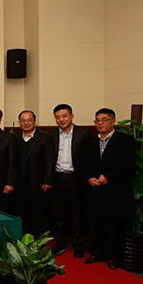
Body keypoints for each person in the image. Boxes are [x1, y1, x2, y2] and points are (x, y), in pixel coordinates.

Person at [84, 108, 135, 270]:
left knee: (113, 225)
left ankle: (112, 257)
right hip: (95, 190)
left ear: (113, 121)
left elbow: (128, 164)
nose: (100, 123)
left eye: (104, 119)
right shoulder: (90, 142)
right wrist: (89, 177)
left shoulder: (126, 141)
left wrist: (108, 177)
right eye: (97, 120)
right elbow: (83, 163)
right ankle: (96, 253)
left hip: (115, 190)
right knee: (95, 224)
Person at [49, 103, 92, 257]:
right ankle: (60, 244)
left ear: (71, 116)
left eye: (64, 116)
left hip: (76, 178)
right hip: (57, 177)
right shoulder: (51, 134)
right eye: (58, 117)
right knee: (58, 214)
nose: (61, 119)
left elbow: (89, 157)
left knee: (77, 214)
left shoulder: (83, 133)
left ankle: (78, 246)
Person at [15, 110, 55, 237]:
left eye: (29, 120)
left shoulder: (45, 139)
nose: (26, 123)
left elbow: (50, 161)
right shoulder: (15, 138)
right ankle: (23, 240)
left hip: (38, 184)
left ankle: (38, 241)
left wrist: (47, 181)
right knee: (21, 213)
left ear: (34, 121)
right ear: (19, 122)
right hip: (19, 184)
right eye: (23, 120)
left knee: (38, 214)